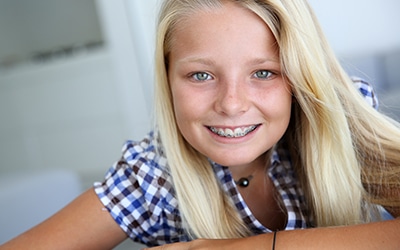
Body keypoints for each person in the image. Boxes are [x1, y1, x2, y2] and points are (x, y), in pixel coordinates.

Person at [2, 0, 399, 249]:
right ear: (168, 78)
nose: (231, 104)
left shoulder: (339, 122)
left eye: (263, 73)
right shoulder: (152, 175)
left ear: (301, 77)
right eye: (201, 76)